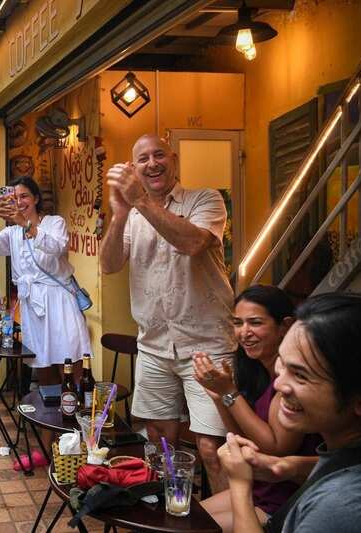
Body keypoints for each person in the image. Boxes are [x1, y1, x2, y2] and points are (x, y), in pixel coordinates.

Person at [98, 133, 236, 492]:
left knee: (212, 448)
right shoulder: (132, 214)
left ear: (173, 159)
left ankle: (225, 520)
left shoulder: (205, 199)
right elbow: (110, 265)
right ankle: (170, 513)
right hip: (155, 346)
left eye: (159, 155)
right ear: (134, 167)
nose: (152, 163)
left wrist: (140, 200)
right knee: (159, 440)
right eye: (142, 159)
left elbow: (192, 242)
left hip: (206, 346)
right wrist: (120, 214)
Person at [218, 292, 361, 533]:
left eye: (301, 375)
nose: (280, 386)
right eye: (282, 364)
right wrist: (289, 467)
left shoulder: (342, 504)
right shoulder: (358, 454)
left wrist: (240, 486)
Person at [0, 176, 92, 464]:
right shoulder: (12, 233)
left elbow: (55, 247)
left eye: (24, 196)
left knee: (74, 371)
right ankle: (49, 448)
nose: (19, 202)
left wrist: (25, 223)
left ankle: (85, 447)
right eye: (13, 197)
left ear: (36, 199)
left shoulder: (53, 223)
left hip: (59, 302)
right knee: (45, 374)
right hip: (32, 308)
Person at [193, 285, 320, 531]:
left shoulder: (291, 381)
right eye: (238, 323)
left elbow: (276, 449)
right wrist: (220, 398)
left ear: (284, 326)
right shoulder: (257, 372)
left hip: (282, 503)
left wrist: (229, 392)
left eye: (255, 323)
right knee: (179, 522)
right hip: (258, 491)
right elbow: (241, 439)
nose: (244, 333)